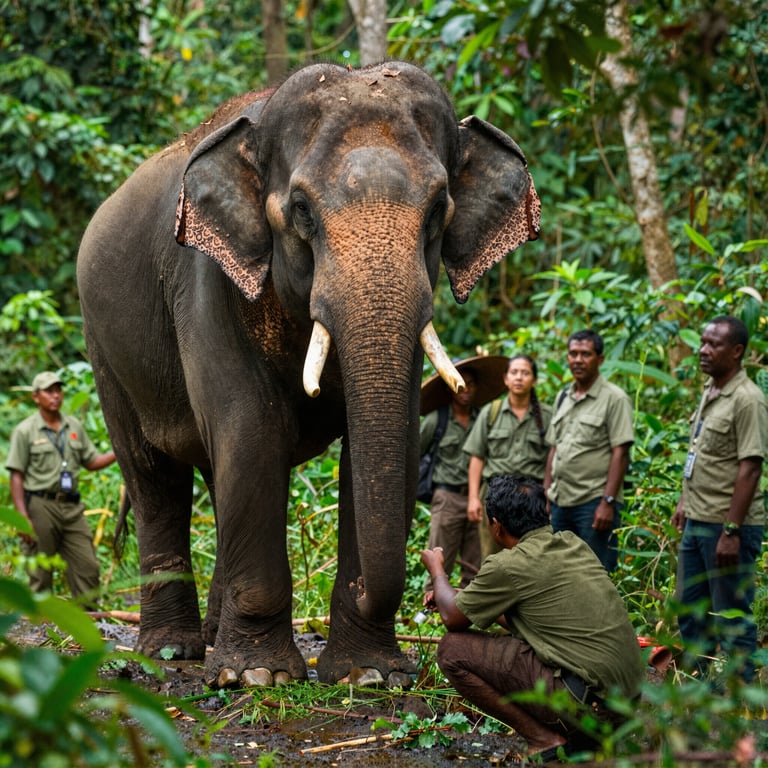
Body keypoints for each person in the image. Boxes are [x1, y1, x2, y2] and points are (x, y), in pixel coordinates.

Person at [421, 475, 643, 760]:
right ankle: (581, 738)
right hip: (624, 708)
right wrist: (461, 596)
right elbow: (527, 615)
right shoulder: (571, 543)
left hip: (587, 708)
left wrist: (438, 571)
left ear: (496, 526)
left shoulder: (509, 564)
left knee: (452, 649)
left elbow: (452, 618)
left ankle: (545, 740)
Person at [671, 316, 767, 684]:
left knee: (731, 613)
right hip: (698, 519)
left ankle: (745, 695)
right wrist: (684, 500)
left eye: (714, 345)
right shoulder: (712, 389)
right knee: (691, 607)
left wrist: (731, 529)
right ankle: (698, 685)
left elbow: (750, 468)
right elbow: (700, 453)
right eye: (703, 342)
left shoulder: (747, 400)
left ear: (737, 351)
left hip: (727, 527)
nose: (703, 350)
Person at [6, 371, 117, 603]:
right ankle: (40, 628)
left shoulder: (73, 425)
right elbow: (16, 475)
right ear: (36, 397)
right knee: (40, 571)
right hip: (40, 506)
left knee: (87, 566)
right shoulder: (25, 431)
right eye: (49, 391)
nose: (55, 396)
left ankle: (87, 621)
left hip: (71, 507)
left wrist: (119, 451)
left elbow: (91, 461)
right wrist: (22, 517)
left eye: (58, 390)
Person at [543, 330, 634, 572]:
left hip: (593, 502)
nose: (578, 360)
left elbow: (620, 452)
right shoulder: (564, 396)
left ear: (600, 360)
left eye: (586, 354)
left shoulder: (615, 399)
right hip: (561, 501)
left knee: (595, 572)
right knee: (559, 571)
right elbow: (555, 448)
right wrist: (546, 494)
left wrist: (608, 502)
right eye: (573, 354)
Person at [419, 356, 508, 591]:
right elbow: (414, 454)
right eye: (460, 383)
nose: (465, 389)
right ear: (450, 386)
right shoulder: (436, 420)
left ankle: (468, 615)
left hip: (480, 499)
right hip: (447, 497)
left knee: (475, 563)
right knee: (440, 559)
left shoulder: (485, 419)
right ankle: (431, 611)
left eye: (471, 384)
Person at [463, 354, 552, 560]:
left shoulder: (547, 416)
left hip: (533, 495)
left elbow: (553, 460)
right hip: (496, 493)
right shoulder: (491, 413)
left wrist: (549, 497)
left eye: (525, 373)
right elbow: (477, 456)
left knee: (534, 555)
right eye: (514, 372)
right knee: (492, 555)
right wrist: (473, 498)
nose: (519, 378)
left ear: (535, 380)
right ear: (505, 379)